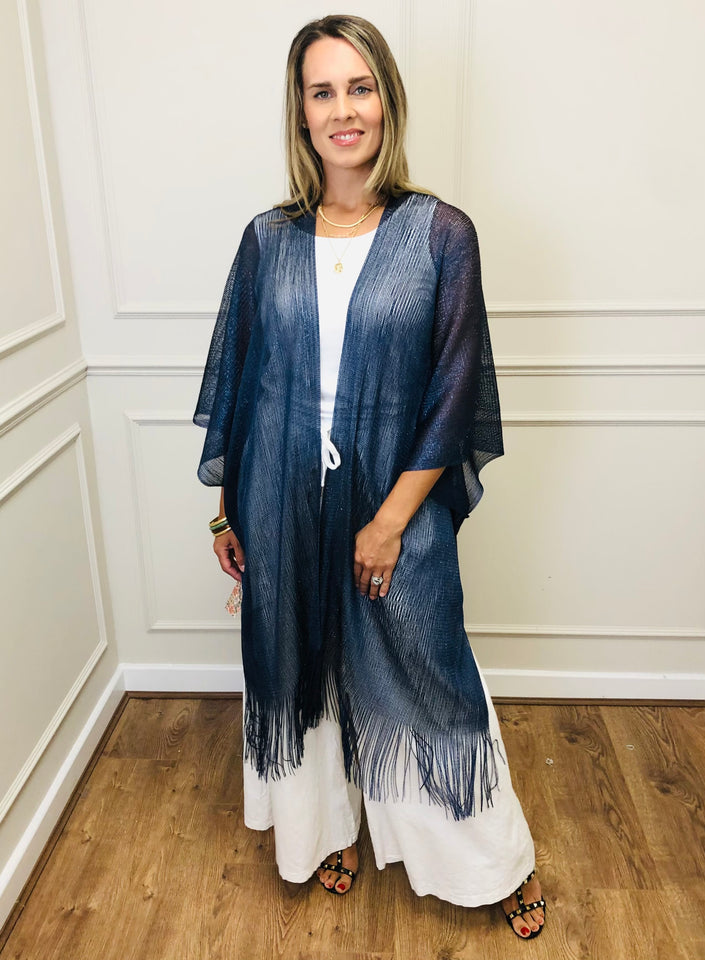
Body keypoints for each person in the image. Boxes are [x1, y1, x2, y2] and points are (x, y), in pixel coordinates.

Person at [194, 14, 546, 941]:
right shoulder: (267, 239)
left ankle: (491, 862)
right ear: (301, 113)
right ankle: (323, 831)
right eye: (323, 92)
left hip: (395, 501)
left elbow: (455, 388)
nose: (343, 110)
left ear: (387, 100)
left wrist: (390, 523)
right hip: (278, 501)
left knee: (430, 674)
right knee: (298, 673)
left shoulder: (440, 234)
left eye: (360, 87)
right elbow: (242, 383)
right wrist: (227, 514)